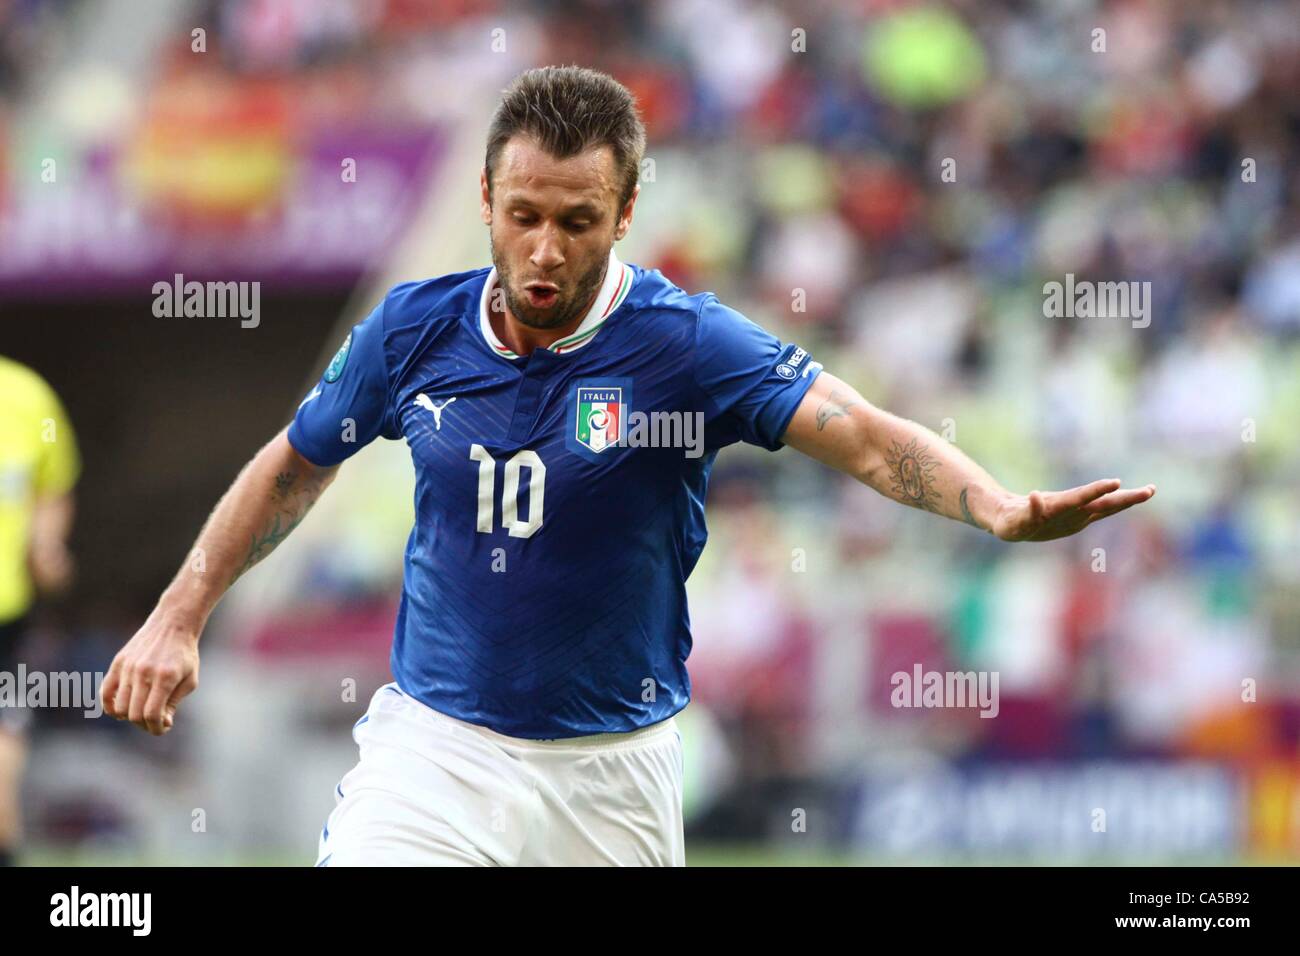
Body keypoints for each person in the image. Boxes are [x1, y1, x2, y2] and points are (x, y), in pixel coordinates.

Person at [102, 65, 1155, 866]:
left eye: (576, 221)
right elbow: (293, 465)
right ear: (484, 198)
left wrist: (998, 509)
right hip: (437, 747)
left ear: (625, 213)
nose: (545, 250)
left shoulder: (687, 345)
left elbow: (866, 435)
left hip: (612, 774)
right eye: (523, 215)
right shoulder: (410, 331)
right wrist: (178, 612)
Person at [0, 356, 79, 866]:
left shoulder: (26, 395)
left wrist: (46, 545)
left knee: (6, 743)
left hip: (9, 614)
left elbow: (54, 486)